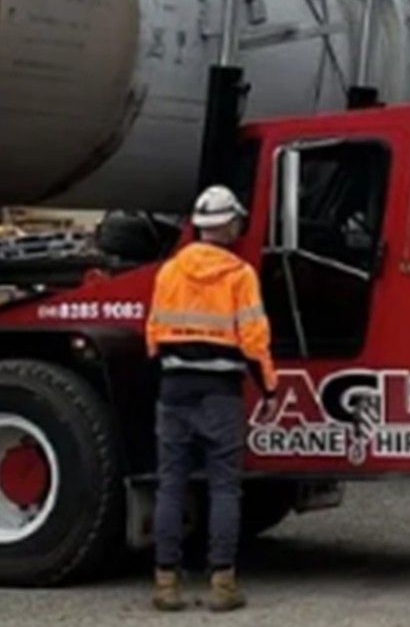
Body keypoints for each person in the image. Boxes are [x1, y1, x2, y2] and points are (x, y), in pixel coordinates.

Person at [146, 185, 277, 613]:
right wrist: (270, 388)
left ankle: (166, 584)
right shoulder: (240, 275)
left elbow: (153, 334)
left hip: (174, 390)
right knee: (224, 487)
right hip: (220, 395)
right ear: (230, 224)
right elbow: (255, 340)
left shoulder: (168, 272)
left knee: (171, 484)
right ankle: (223, 585)